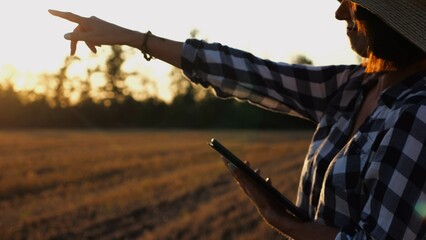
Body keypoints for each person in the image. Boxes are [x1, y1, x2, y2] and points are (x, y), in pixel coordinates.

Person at [49, 0, 426, 238]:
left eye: (355, 3)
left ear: (391, 22)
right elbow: (252, 73)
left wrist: (293, 226)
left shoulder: (418, 115)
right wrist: (133, 38)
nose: (340, 11)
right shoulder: (355, 85)